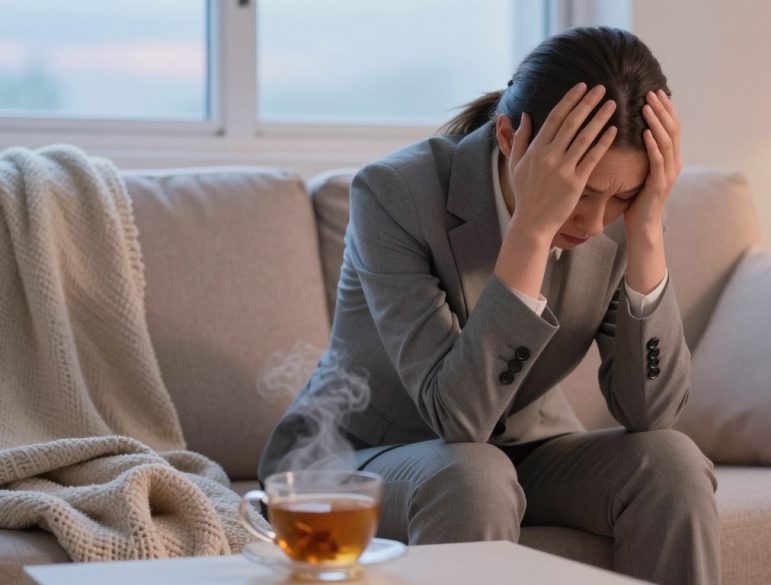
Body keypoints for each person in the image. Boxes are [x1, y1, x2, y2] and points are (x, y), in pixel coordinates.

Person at [259, 26, 720, 585]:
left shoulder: (628, 213)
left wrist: (647, 227)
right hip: (363, 456)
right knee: (473, 473)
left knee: (673, 463)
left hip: (526, 446)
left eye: (621, 196)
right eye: (578, 191)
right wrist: (531, 230)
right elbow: (459, 418)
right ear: (508, 137)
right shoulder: (394, 195)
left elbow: (652, 414)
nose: (596, 222)